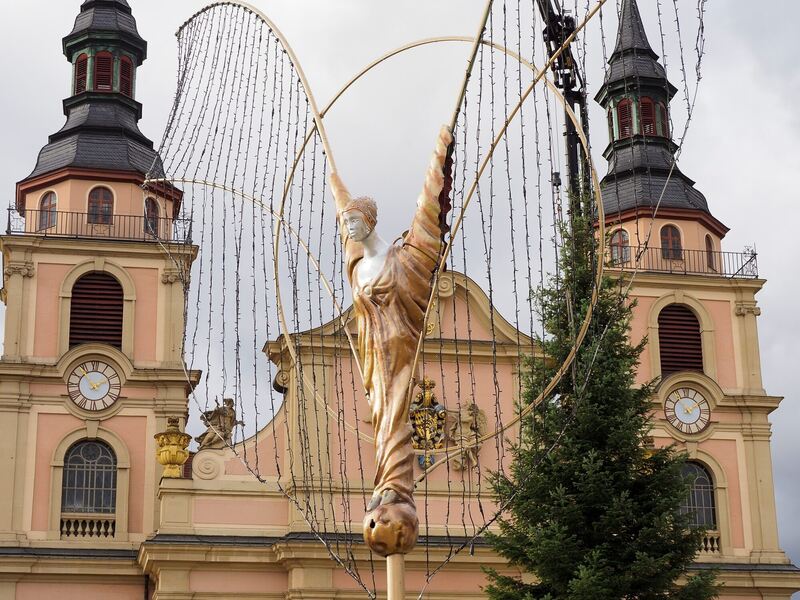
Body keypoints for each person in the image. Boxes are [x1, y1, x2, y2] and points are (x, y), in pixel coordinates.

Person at [328, 125, 452, 556]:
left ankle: (396, 488)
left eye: (354, 220)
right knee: (383, 419)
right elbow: (340, 200)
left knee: (396, 414)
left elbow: (428, 211)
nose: (349, 225)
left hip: (398, 345)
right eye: (346, 222)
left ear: (371, 221)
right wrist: (332, 173)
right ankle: (388, 484)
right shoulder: (357, 261)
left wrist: (439, 153)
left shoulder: (402, 258)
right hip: (372, 355)